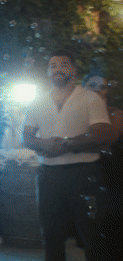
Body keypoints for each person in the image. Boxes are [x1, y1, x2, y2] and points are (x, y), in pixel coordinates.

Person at [22, 50, 114, 261]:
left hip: (84, 175)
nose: (57, 69)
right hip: (49, 177)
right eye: (52, 66)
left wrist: (66, 144)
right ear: (48, 72)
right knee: (51, 234)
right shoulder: (37, 102)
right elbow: (26, 137)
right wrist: (44, 143)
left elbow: (102, 134)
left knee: (92, 232)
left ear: (74, 70)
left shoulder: (90, 98)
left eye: (63, 64)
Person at [82, 72, 122, 260]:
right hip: (87, 182)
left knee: (115, 234)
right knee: (91, 234)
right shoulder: (78, 117)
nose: (97, 90)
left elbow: (107, 140)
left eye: (102, 87)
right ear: (83, 89)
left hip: (115, 183)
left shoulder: (117, 115)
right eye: (92, 85)